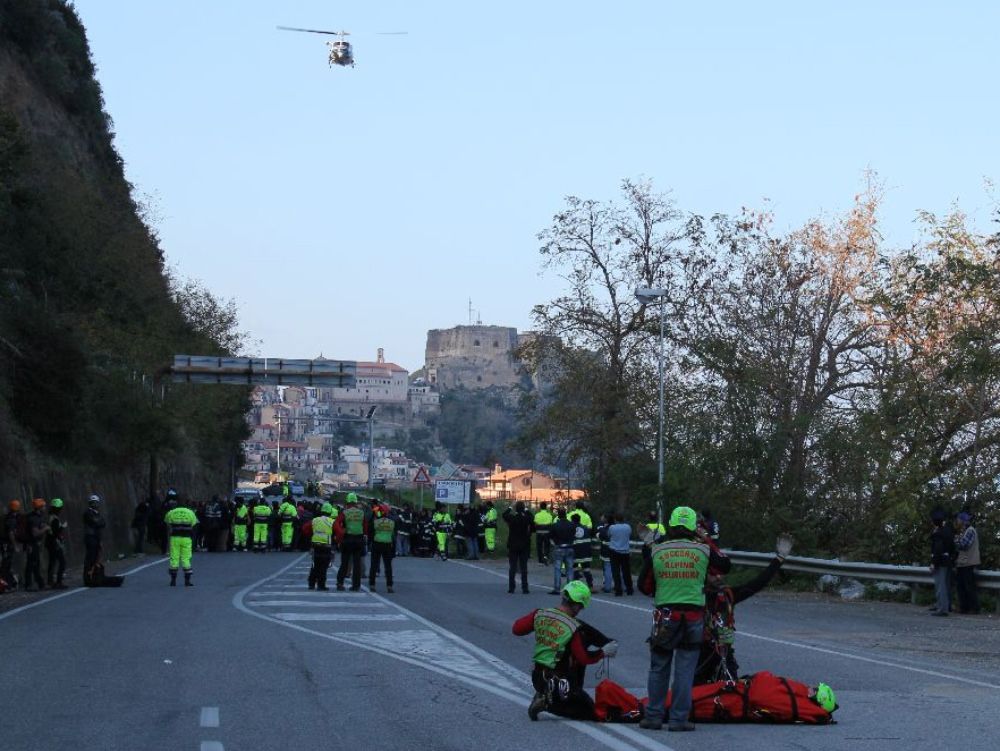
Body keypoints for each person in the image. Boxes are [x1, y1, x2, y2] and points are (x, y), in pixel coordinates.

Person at [638, 505, 731, 732]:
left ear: (670, 525)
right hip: (693, 616)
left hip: (665, 616)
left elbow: (643, 585)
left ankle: (653, 717)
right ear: (693, 528)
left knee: (659, 667)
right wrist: (706, 539)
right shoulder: (702, 550)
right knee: (685, 669)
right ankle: (679, 719)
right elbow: (724, 564)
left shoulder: (658, 551)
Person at [512, 580, 617, 721]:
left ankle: (545, 694)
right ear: (577, 604)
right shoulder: (572, 627)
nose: (580, 610)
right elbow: (583, 658)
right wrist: (603, 652)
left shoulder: (540, 614)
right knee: (589, 712)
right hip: (559, 682)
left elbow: (517, 629)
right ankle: (547, 703)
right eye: (581, 607)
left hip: (537, 676)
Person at [695, 534, 791, 684]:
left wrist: (779, 559)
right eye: (714, 575)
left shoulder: (728, 595)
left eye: (720, 575)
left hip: (724, 654)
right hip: (700, 654)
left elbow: (757, 583)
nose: (719, 578)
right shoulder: (694, 596)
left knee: (733, 691)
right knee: (694, 693)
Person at [334, 492, 367, 591]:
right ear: (356, 502)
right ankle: (356, 586)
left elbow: (336, 524)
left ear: (347, 502)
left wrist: (341, 533)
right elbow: (365, 527)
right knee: (357, 564)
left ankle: (340, 583)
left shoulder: (345, 512)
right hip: (358, 540)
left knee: (344, 563)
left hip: (347, 539)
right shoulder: (361, 513)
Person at [164, 497, 199, 586]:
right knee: (186, 558)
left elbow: (167, 522)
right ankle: (187, 581)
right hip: (186, 538)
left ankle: (173, 580)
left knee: (174, 558)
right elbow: (194, 524)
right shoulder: (190, 512)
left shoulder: (171, 512)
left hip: (175, 538)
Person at [503, 501, 534, 594]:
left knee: (512, 567)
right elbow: (532, 517)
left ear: (516, 508)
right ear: (523, 508)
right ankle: (525, 588)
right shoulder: (526, 518)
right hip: (524, 545)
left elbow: (504, 514)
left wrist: (510, 507)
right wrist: (526, 509)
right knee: (524, 567)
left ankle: (511, 588)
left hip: (513, 544)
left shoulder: (512, 518)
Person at [929, 508, 955, 616]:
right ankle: (946, 605)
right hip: (948, 560)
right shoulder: (948, 531)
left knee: (941, 585)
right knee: (946, 585)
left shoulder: (938, 534)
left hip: (941, 561)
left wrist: (933, 563)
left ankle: (942, 608)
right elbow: (953, 547)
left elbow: (938, 549)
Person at [954, 512, 980, 615]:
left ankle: (974, 608)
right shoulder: (965, 531)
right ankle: (964, 607)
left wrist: (955, 541)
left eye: (958, 520)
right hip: (963, 563)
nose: (957, 522)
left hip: (968, 563)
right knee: (961, 587)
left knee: (968, 587)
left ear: (962, 520)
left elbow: (964, 545)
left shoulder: (970, 530)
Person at [368, 503, 396, 593]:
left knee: (374, 565)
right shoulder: (392, 523)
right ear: (387, 513)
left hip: (376, 544)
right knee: (388, 566)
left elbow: (371, 534)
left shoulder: (375, 522)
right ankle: (389, 586)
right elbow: (393, 536)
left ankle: (372, 585)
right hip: (387, 545)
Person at [548, 507, 576, 594]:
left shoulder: (555, 525)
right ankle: (570, 589)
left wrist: (554, 544)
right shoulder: (572, 525)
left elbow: (550, 537)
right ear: (566, 514)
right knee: (570, 569)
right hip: (570, 548)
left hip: (559, 548)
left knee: (557, 569)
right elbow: (574, 535)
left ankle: (557, 588)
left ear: (558, 515)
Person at [308, 503, 335, 591]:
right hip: (327, 547)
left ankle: (311, 584)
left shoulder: (315, 520)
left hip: (316, 546)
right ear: (330, 511)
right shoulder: (332, 521)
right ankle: (321, 585)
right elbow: (339, 532)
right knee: (324, 566)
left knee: (315, 565)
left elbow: (305, 529)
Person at [23, 499, 48, 591]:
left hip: (35, 544)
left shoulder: (38, 516)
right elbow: (35, 533)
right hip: (31, 544)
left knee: (35, 564)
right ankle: (28, 585)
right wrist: (45, 529)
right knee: (31, 564)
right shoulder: (33, 518)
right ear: (40, 507)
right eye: (44, 506)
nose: (45, 508)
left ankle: (40, 583)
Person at [569, 502, 595, 589]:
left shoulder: (570, 516)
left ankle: (576, 587)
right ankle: (591, 586)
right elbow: (590, 528)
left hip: (576, 551)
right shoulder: (586, 517)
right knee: (586, 569)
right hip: (586, 551)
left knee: (575, 568)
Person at [607, 514, 634, 596]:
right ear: (623, 519)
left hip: (614, 551)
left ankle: (618, 590)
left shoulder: (612, 527)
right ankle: (629, 589)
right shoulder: (628, 527)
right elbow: (629, 535)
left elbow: (608, 535)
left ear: (615, 520)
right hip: (625, 552)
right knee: (626, 571)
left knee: (616, 572)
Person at [46, 498, 69, 589]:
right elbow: (55, 532)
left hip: (50, 543)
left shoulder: (51, 517)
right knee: (62, 562)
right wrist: (63, 527)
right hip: (54, 543)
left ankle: (50, 581)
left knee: (52, 562)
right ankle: (58, 582)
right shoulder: (54, 519)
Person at [82, 493, 106, 579]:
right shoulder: (88, 513)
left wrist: (98, 522)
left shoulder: (97, 513)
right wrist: (98, 522)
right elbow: (95, 522)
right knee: (90, 557)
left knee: (96, 557)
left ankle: (94, 575)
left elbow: (103, 523)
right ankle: (87, 575)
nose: (94, 504)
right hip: (90, 537)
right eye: (93, 502)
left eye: (96, 502)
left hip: (96, 537)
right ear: (90, 503)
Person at [1, 500, 21, 590]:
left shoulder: (7, 517)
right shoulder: (11, 519)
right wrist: (15, 545)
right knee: (6, 565)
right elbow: (11, 533)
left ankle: (11, 583)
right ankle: (9, 584)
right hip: (7, 544)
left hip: (5, 544)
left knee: (6, 565)